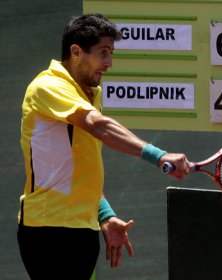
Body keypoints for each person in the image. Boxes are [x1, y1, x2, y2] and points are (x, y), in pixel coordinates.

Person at [17, 13, 191, 279]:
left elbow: (78, 168)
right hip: (48, 230)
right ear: (76, 52)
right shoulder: (48, 86)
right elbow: (100, 126)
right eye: (103, 53)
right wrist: (158, 156)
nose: (109, 63)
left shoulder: (89, 93)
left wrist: (105, 215)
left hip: (82, 228)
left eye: (111, 53)